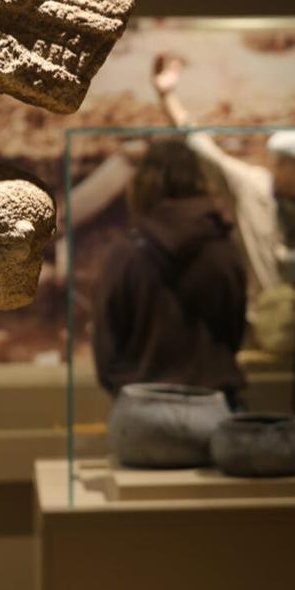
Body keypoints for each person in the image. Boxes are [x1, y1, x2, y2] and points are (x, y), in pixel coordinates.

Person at [152, 54, 295, 448]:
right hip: (253, 333)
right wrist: (169, 97)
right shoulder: (250, 186)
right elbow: (200, 146)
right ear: (279, 165)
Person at [92, 138, 248, 408]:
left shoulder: (126, 254)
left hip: (143, 409)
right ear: (199, 180)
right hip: (213, 405)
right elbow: (234, 332)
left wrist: (126, 385)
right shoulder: (225, 249)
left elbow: (106, 345)